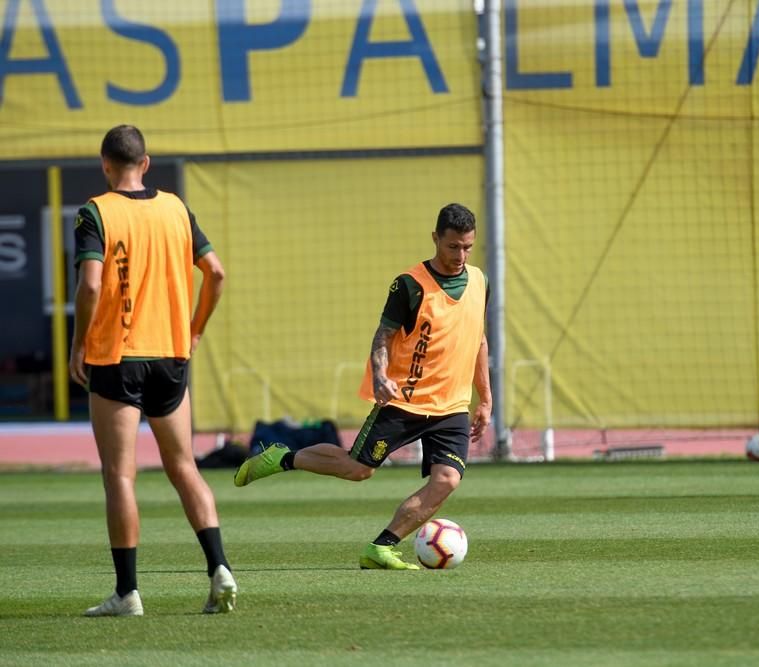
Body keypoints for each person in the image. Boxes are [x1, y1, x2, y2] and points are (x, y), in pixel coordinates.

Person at [234, 203, 492, 570]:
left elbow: (478, 340)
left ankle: (381, 547)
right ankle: (283, 457)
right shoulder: (410, 285)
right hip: (404, 400)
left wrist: (485, 399)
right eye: (453, 247)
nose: (460, 256)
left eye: (467, 247)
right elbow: (383, 336)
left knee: (447, 480)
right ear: (436, 238)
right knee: (359, 469)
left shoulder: (480, 280)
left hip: (451, 406)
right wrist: (381, 374)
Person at [70, 125, 237, 616]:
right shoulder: (177, 209)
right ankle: (220, 568)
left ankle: (128, 593)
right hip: (171, 356)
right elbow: (217, 272)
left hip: (116, 357)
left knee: (120, 475)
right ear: (146, 163)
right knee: (183, 466)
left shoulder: (94, 211)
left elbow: (91, 286)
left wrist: (79, 342)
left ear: (105, 164)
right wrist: (196, 328)